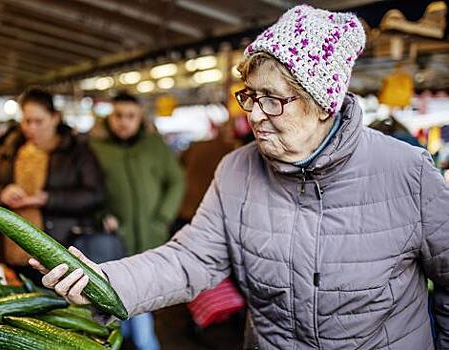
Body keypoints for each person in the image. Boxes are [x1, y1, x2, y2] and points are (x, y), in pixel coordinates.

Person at [30, 6, 449, 349]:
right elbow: (190, 259)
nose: (254, 114)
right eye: (250, 95)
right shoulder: (236, 170)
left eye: (273, 99)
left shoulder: (407, 172)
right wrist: (108, 281)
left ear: (324, 104)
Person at [0, 88, 104, 283]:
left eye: (38, 121)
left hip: (60, 254)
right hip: (9, 256)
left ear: (55, 118)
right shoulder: (10, 149)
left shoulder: (76, 151)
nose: (31, 128)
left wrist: (49, 199)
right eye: (26, 121)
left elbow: (95, 195)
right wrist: (1, 194)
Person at [87, 92, 185, 350]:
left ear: (140, 118)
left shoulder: (155, 145)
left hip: (152, 235)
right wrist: (101, 215)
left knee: (145, 293)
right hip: (116, 238)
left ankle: (134, 338)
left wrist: (163, 217)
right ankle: (139, 341)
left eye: (130, 116)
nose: (123, 122)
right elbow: (91, 190)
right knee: (122, 291)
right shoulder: (96, 148)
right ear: (110, 116)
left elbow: (176, 180)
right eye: (118, 115)